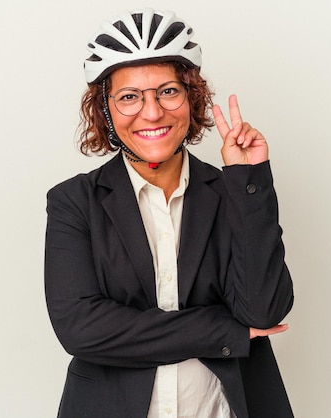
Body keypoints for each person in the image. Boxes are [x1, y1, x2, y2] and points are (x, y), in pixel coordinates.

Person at [45, 8, 294, 418]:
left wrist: (249, 179)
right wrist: (224, 330)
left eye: (167, 91)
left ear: (191, 97)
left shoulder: (233, 191)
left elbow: (264, 311)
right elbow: (82, 330)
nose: (153, 112)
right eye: (129, 97)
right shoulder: (74, 202)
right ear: (105, 111)